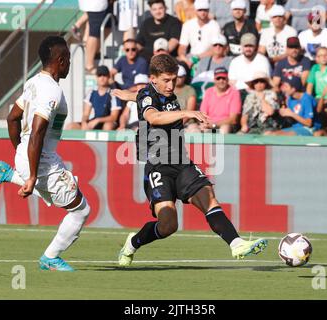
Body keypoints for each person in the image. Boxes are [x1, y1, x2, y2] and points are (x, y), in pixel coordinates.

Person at [117, 54, 268, 267]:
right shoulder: (149, 97)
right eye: (166, 80)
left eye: (174, 79)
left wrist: (127, 94)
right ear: (154, 79)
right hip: (158, 166)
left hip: (182, 161)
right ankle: (132, 243)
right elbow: (153, 117)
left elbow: (140, 96)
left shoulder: (156, 93)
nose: (171, 85)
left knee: (209, 197)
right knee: (168, 225)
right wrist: (187, 112)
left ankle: (236, 244)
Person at [0, 36, 91, 272]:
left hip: (27, 155)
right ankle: (50, 257)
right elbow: (38, 131)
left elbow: (12, 118)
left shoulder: (33, 83)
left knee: (58, 195)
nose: (70, 65)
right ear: (60, 60)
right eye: (69, 60)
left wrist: (20, 153)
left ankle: (10, 174)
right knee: (81, 210)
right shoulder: (52, 90)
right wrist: (31, 175)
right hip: (40, 161)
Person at [67, 66, 122, 130]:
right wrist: (84, 122)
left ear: (108, 77)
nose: (102, 78)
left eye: (104, 75)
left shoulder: (113, 93)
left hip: (109, 123)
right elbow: (86, 114)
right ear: (96, 77)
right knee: (70, 126)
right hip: (95, 121)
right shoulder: (91, 93)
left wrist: (98, 120)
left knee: (108, 126)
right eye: (99, 75)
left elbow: (113, 117)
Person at [178, 0, 222, 68]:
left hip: (208, 58)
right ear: (195, 11)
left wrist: (196, 58)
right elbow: (182, 46)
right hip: (191, 57)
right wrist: (183, 57)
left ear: (208, 11)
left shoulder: (214, 25)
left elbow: (215, 48)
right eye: (200, 10)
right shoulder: (187, 24)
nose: (203, 13)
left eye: (205, 10)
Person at [199, 67, 242, 133]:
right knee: (197, 129)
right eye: (218, 78)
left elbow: (233, 119)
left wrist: (214, 125)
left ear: (227, 79)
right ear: (214, 80)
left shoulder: (234, 93)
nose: (221, 80)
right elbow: (203, 114)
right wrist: (207, 124)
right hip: (209, 124)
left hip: (227, 125)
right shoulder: (209, 91)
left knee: (224, 128)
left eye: (223, 78)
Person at [80, 0, 110, 74]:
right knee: (94, 33)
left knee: (108, 26)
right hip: (95, 5)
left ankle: (95, 52)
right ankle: (89, 65)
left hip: (101, 5)